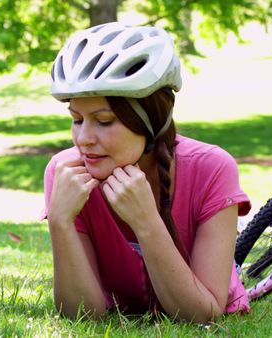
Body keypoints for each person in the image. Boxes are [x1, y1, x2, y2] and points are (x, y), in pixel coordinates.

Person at [42, 22, 251, 323]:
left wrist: (146, 221)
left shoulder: (212, 168)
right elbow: (83, 316)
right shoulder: (65, 173)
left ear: (152, 120)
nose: (83, 138)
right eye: (77, 120)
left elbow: (201, 314)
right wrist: (60, 222)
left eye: (103, 121)